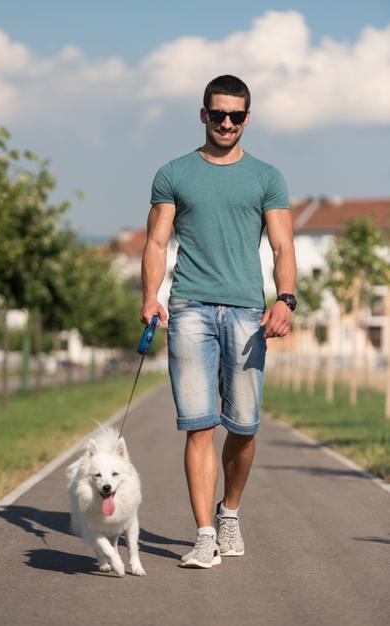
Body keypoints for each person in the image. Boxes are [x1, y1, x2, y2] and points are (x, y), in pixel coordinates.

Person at [140, 75, 297, 569]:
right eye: (217, 114)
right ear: (203, 114)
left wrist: (286, 299)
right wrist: (151, 295)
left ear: (247, 118)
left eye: (236, 115)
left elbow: (282, 246)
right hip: (188, 308)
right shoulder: (173, 173)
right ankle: (204, 534)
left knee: (244, 427)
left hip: (248, 312)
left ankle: (229, 512)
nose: (226, 123)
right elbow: (157, 242)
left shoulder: (267, 177)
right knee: (200, 424)